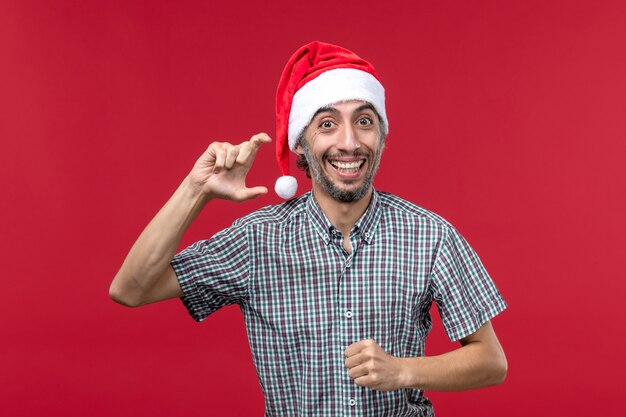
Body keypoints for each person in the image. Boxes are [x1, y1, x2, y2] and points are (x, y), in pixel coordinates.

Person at [110, 41, 507, 416]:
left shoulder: (429, 236)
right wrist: (197, 191)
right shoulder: (258, 240)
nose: (349, 142)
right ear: (300, 142)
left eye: (364, 122)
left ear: (382, 136)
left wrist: (404, 370)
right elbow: (131, 289)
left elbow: (491, 362)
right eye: (328, 124)